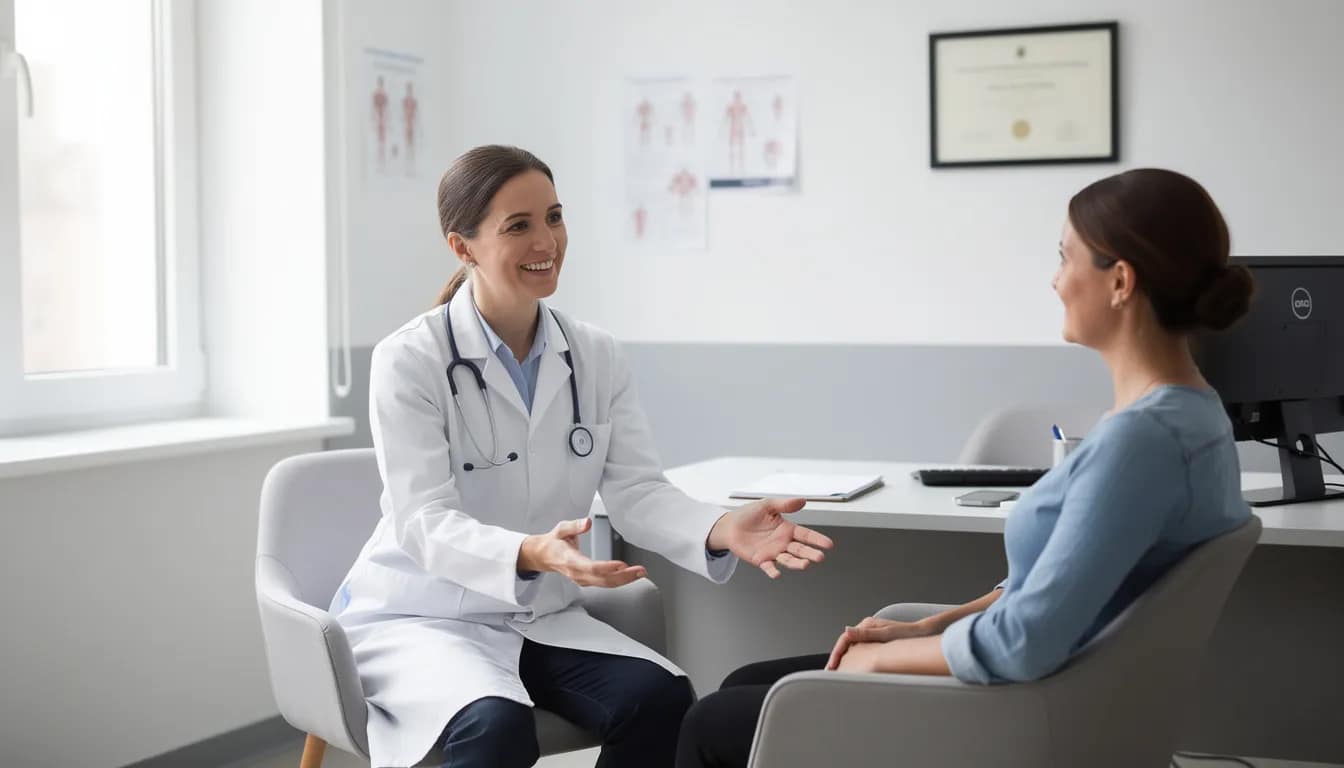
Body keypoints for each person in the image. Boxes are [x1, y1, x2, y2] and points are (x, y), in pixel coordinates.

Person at [675, 167, 1256, 768]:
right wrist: (926, 629)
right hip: (1045, 691)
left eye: (1065, 258)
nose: (1055, 281)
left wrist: (881, 660)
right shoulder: (1190, 416)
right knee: (745, 683)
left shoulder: (1143, 442)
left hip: (1019, 713)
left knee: (714, 723)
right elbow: (1056, 588)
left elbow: (1026, 639)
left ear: (1120, 281)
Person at [329, 145, 834, 768]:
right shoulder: (410, 359)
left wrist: (723, 528)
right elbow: (422, 520)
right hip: (427, 615)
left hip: (538, 614)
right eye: (519, 226)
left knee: (661, 698)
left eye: (555, 216)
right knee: (495, 727)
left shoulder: (594, 354)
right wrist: (530, 552)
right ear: (463, 247)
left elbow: (637, 492)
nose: (548, 240)